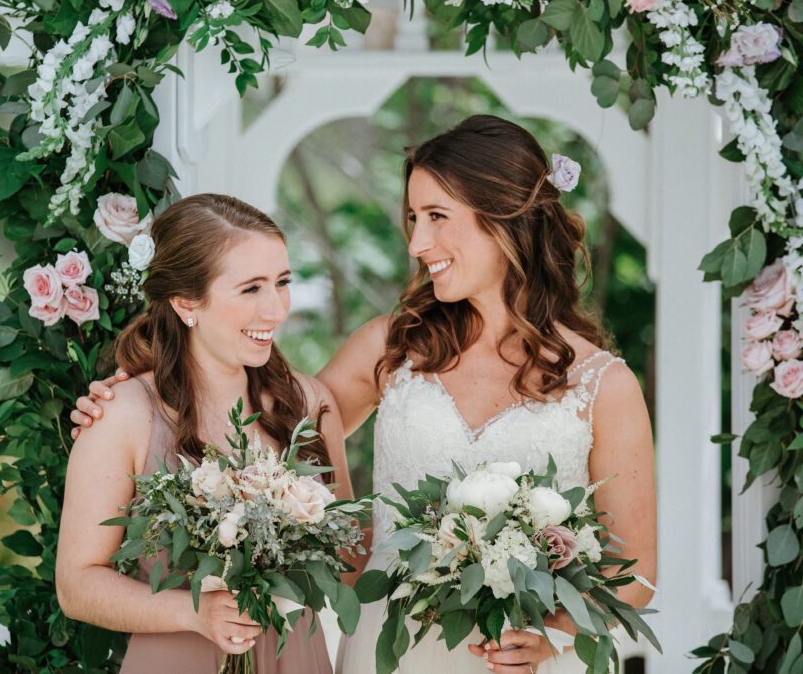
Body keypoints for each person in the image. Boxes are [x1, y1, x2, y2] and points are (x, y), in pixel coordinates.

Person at [71, 115, 657, 673]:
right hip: (389, 646)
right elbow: (270, 429)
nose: (416, 243)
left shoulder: (603, 384)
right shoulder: (391, 347)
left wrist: (551, 636)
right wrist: (130, 398)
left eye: (436, 216)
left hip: (521, 660)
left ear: (504, 216)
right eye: (412, 218)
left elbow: (637, 573)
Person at [56, 194, 352, 674]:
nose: (276, 310)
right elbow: (77, 585)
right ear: (186, 302)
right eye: (251, 289)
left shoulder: (309, 404)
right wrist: (192, 611)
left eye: (282, 282)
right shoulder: (123, 414)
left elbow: (349, 560)